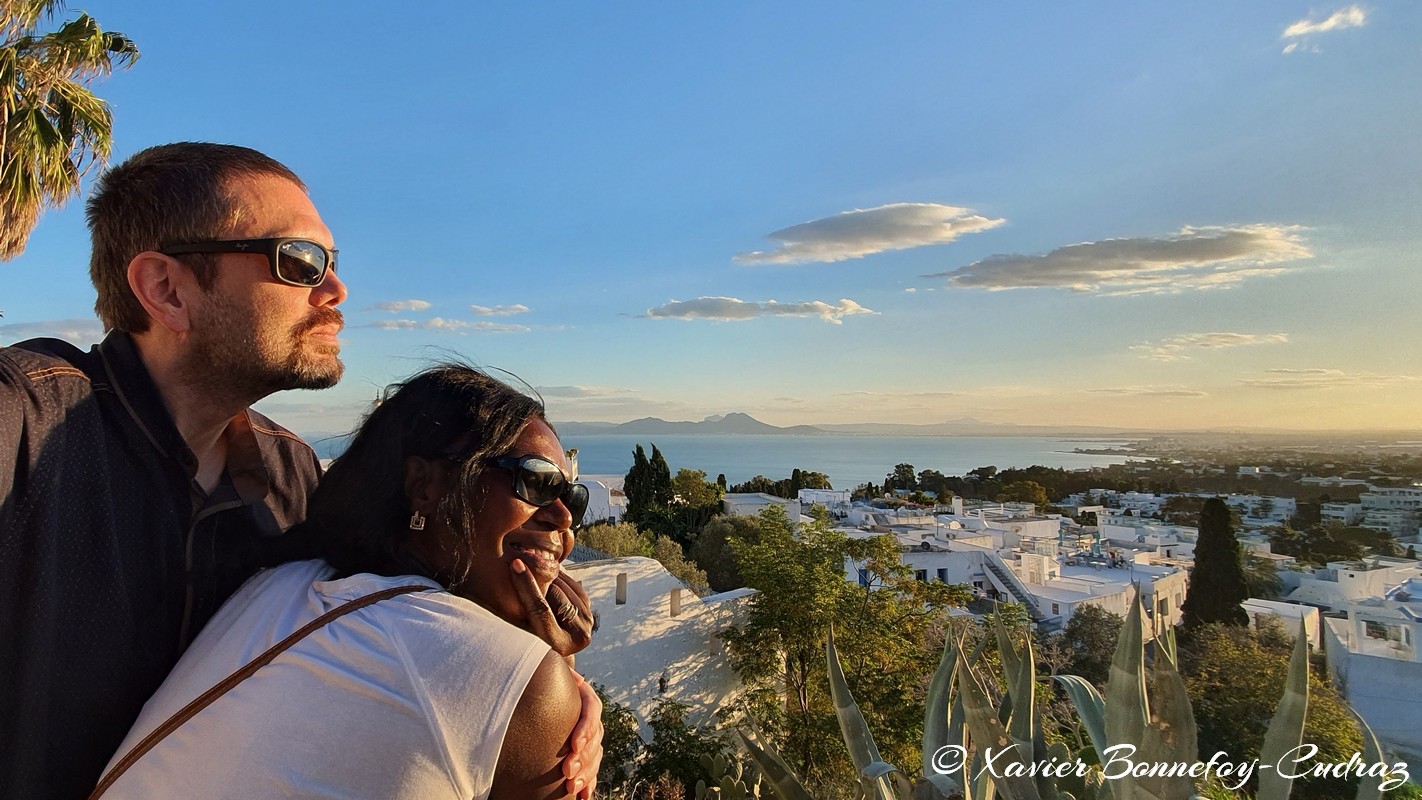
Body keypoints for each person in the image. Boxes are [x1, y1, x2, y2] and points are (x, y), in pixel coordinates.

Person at [0, 143, 596, 799]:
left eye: (332, 263)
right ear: (167, 289)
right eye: (300, 261)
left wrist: (551, 690)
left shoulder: (291, 473)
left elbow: (395, 622)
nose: (336, 289)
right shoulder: (25, 423)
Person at [96, 365, 602, 799]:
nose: (562, 516)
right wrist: (553, 682)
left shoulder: (286, 581)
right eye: (535, 481)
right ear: (424, 486)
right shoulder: (507, 679)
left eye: (573, 498)